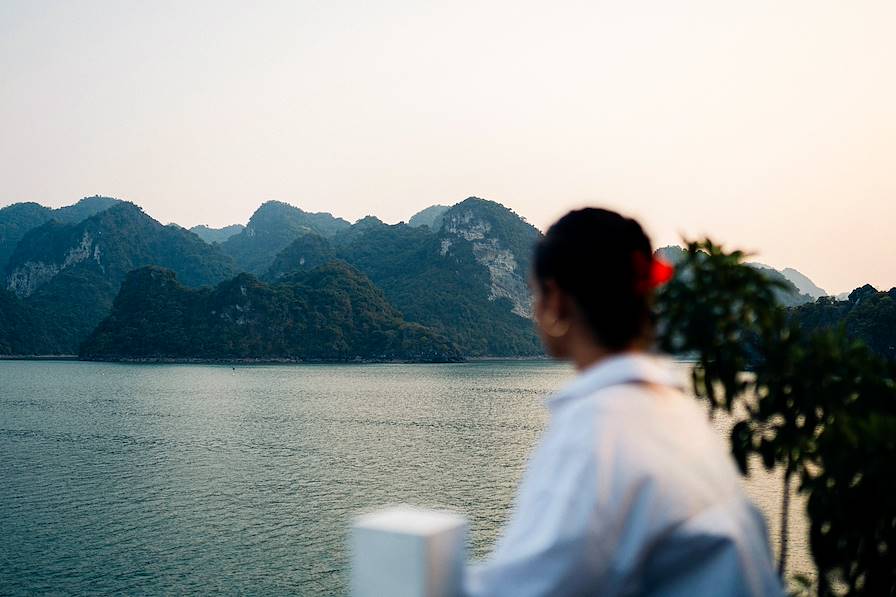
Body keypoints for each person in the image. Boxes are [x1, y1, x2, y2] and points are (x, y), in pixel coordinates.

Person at [464, 208, 784, 596]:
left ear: (557, 301)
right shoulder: (676, 414)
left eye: (536, 294)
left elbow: (523, 589)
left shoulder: (594, 430)